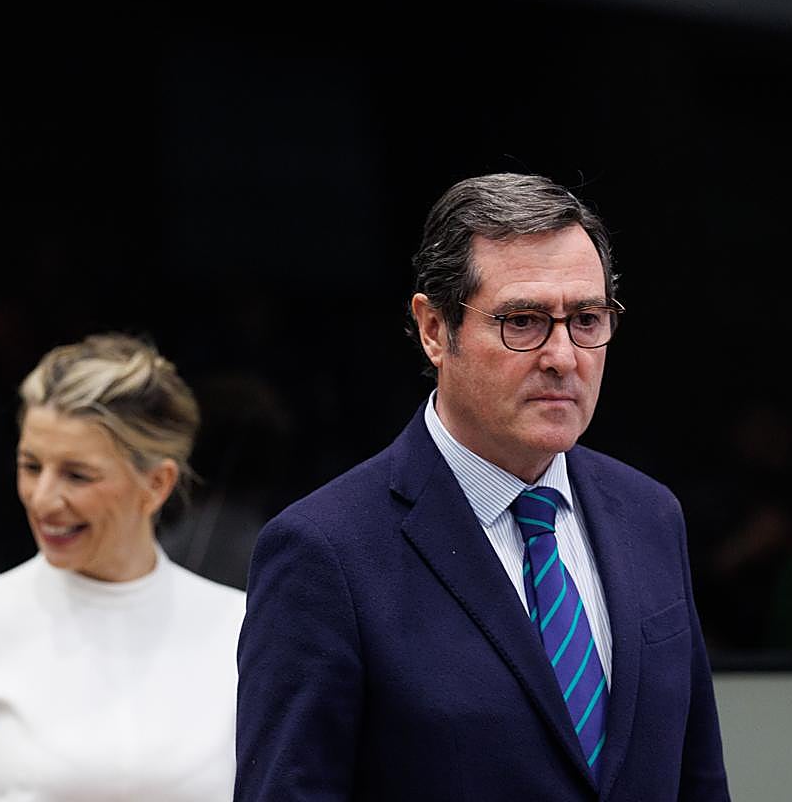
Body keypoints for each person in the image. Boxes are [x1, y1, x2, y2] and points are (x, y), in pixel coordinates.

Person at [235, 173, 731, 800]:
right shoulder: (323, 552)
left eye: (586, 318)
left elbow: (698, 781)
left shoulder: (649, 515)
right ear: (435, 330)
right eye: (522, 321)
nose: (562, 356)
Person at [0, 332, 245, 802]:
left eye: (77, 475)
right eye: (31, 466)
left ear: (156, 485)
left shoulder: (238, 629)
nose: (43, 499)